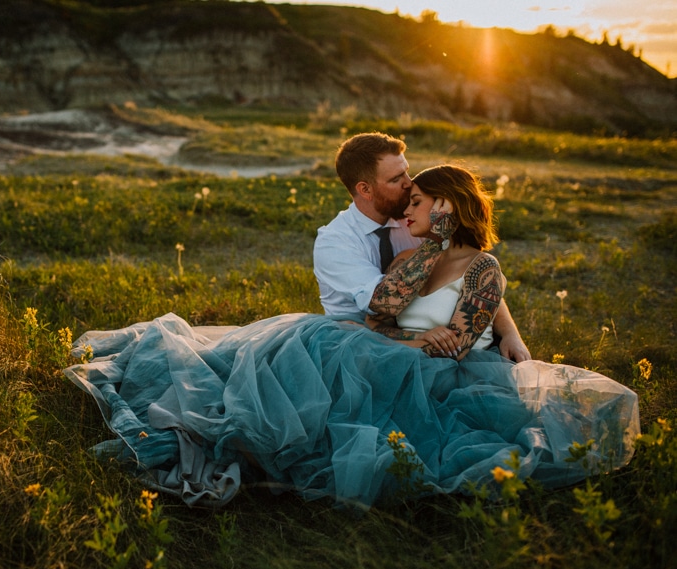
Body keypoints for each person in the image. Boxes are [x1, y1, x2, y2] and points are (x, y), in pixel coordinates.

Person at [64, 165, 639, 510]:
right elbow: (383, 308)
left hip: (434, 373)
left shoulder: (484, 267)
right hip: (392, 348)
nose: (406, 209)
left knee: (331, 350)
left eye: (418, 201)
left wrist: (404, 338)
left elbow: (456, 344)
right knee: (313, 340)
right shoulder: (420, 255)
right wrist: (426, 253)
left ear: (447, 205)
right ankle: (233, 421)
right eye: (406, 198)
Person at [313, 132, 532, 362]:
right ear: (365, 189)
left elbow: (475, 276)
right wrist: (437, 238)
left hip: (414, 347)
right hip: (353, 342)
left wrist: (509, 333)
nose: (409, 183)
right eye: (396, 179)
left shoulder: (416, 221)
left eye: (406, 171)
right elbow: (384, 303)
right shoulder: (335, 241)